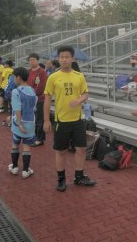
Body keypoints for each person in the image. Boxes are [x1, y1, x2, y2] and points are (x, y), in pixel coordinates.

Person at [44, 45, 95, 192]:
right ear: (58, 59)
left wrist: (79, 100)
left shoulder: (79, 76)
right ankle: (61, 179)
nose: (64, 59)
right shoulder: (53, 77)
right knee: (61, 151)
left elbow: (85, 94)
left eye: (67, 57)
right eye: (62, 57)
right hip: (61, 121)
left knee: (81, 149)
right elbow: (47, 99)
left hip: (78, 120)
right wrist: (47, 120)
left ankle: (79, 177)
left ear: (72, 58)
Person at [8, 67, 38, 179]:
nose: (13, 79)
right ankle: (25, 170)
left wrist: (19, 123)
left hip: (18, 122)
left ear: (18, 77)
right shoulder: (32, 90)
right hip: (30, 122)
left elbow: (17, 108)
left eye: (14, 77)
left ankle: (15, 167)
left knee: (15, 144)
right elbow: (33, 107)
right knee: (26, 146)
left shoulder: (16, 91)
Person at [28, 53, 47, 147]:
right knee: (32, 119)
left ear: (38, 60)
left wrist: (32, 94)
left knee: (39, 119)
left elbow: (41, 86)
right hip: (30, 98)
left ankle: (40, 139)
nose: (31, 61)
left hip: (39, 99)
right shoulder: (29, 71)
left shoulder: (42, 72)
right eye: (30, 60)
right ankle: (34, 136)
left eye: (33, 59)